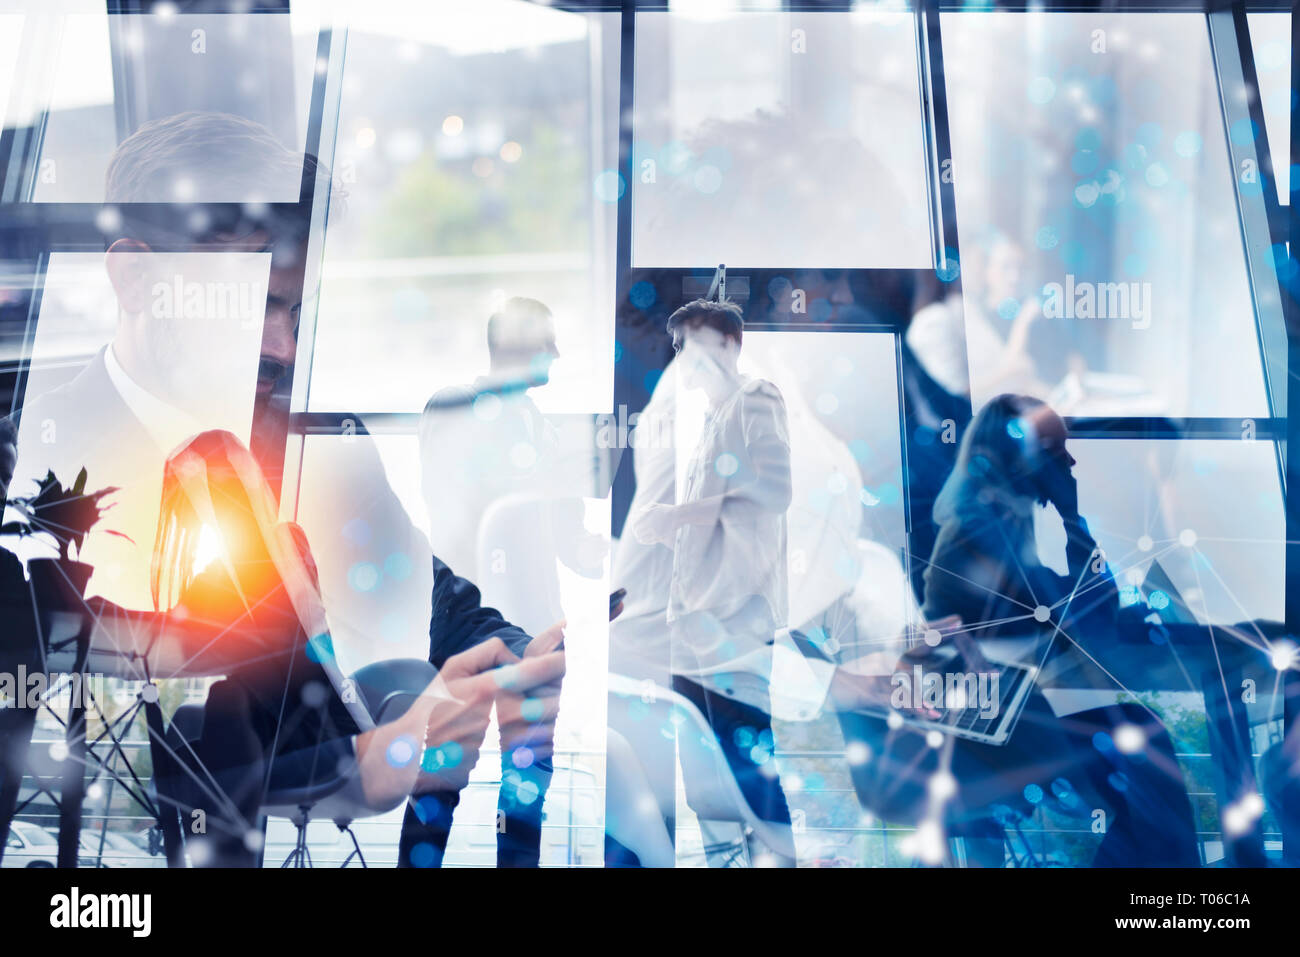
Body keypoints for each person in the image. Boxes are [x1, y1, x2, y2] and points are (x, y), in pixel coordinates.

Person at [840, 394, 1202, 866]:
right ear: (1015, 455)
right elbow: (1084, 619)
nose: (1069, 462)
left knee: (1138, 757)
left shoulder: (1004, 521)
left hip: (1001, 713)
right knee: (1141, 745)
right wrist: (1074, 517)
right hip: (982, 730)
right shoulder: (979, 528)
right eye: (1055, 449)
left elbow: (1078, 611)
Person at [628, 298, 797, 854]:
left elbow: (775, 491)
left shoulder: (756, 399)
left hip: (735, 621)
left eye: (691, 346)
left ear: (729, 345)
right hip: (699, 624)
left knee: (748, 764)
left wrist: (676, 516)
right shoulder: (711, 423)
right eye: (677, 349)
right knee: (706, 776)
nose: (682, 360)